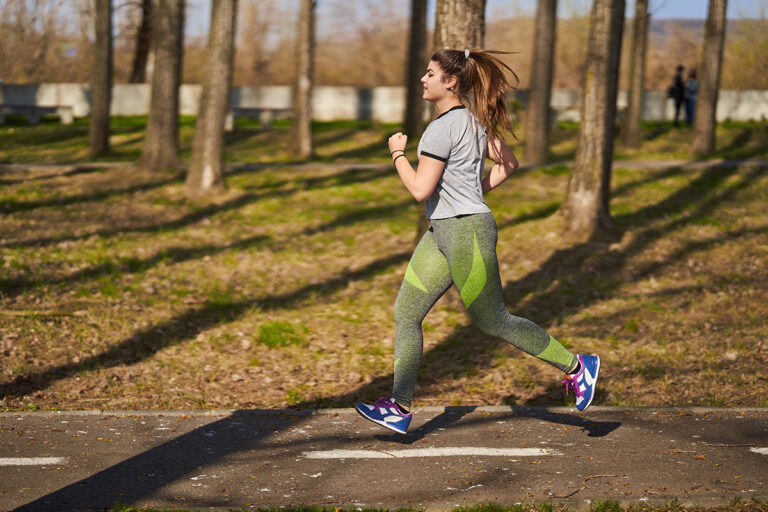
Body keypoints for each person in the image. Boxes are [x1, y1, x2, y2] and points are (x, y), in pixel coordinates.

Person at [354, 48, 600, 434]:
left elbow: (420, 189)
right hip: (443, 232)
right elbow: (509, 164)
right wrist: (473, 194)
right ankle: (398, 406)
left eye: (430, 73)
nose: (423, 78)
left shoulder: (439, 129)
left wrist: (398, 153)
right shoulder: (472, 122)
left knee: (493, 320)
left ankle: (577, 366)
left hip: (465, 232)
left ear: (450, 82)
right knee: (407, 313)